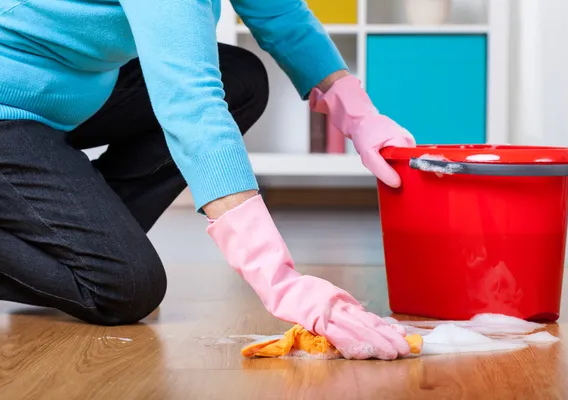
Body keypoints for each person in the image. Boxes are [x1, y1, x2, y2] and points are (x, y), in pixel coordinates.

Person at [0, 0, 416, 360]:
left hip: (66, 91)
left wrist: (360, 116)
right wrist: (280, 281)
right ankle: (70, 240)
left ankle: (61, 232)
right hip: (9, 106)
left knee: (241, 80)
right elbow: (190, 105)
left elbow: (280, 13)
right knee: (123, 288)